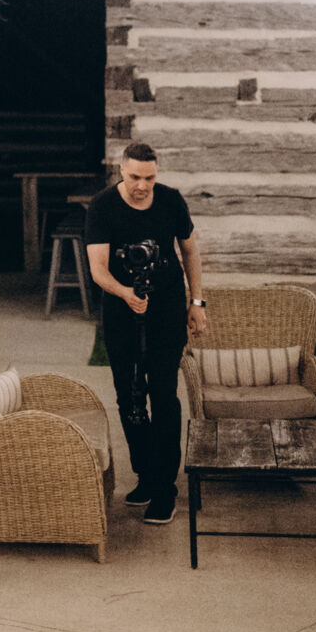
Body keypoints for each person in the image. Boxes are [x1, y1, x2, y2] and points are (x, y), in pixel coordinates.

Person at [84, 141, 208, 527]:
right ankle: (147, 474)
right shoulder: (102, 206)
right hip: (121, 310)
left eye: (150, 178)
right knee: (129, 395)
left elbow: (190, 252)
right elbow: (98, 268)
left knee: (163, 394)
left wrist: (197, 302)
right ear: (121, 170)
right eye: (135, 176)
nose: (142, 185)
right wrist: (125, 293)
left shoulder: (171, 201)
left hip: (166, 308)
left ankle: (165, 487)